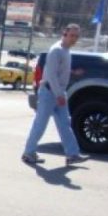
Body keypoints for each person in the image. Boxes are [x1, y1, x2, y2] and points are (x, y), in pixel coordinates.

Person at [21, 23, 88, 166]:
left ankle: (72, 154)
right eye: (71, 35)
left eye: (76, 36)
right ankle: (28, 152)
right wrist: (59, 95)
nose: (74, 39)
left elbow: (58, 71)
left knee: (65, 124)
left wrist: (72, 73)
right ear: (65, 33)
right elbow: (51, 75)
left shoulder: (65, 50)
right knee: (40, 124)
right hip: (49, 92)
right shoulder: (56, 51)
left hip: (58, 92)